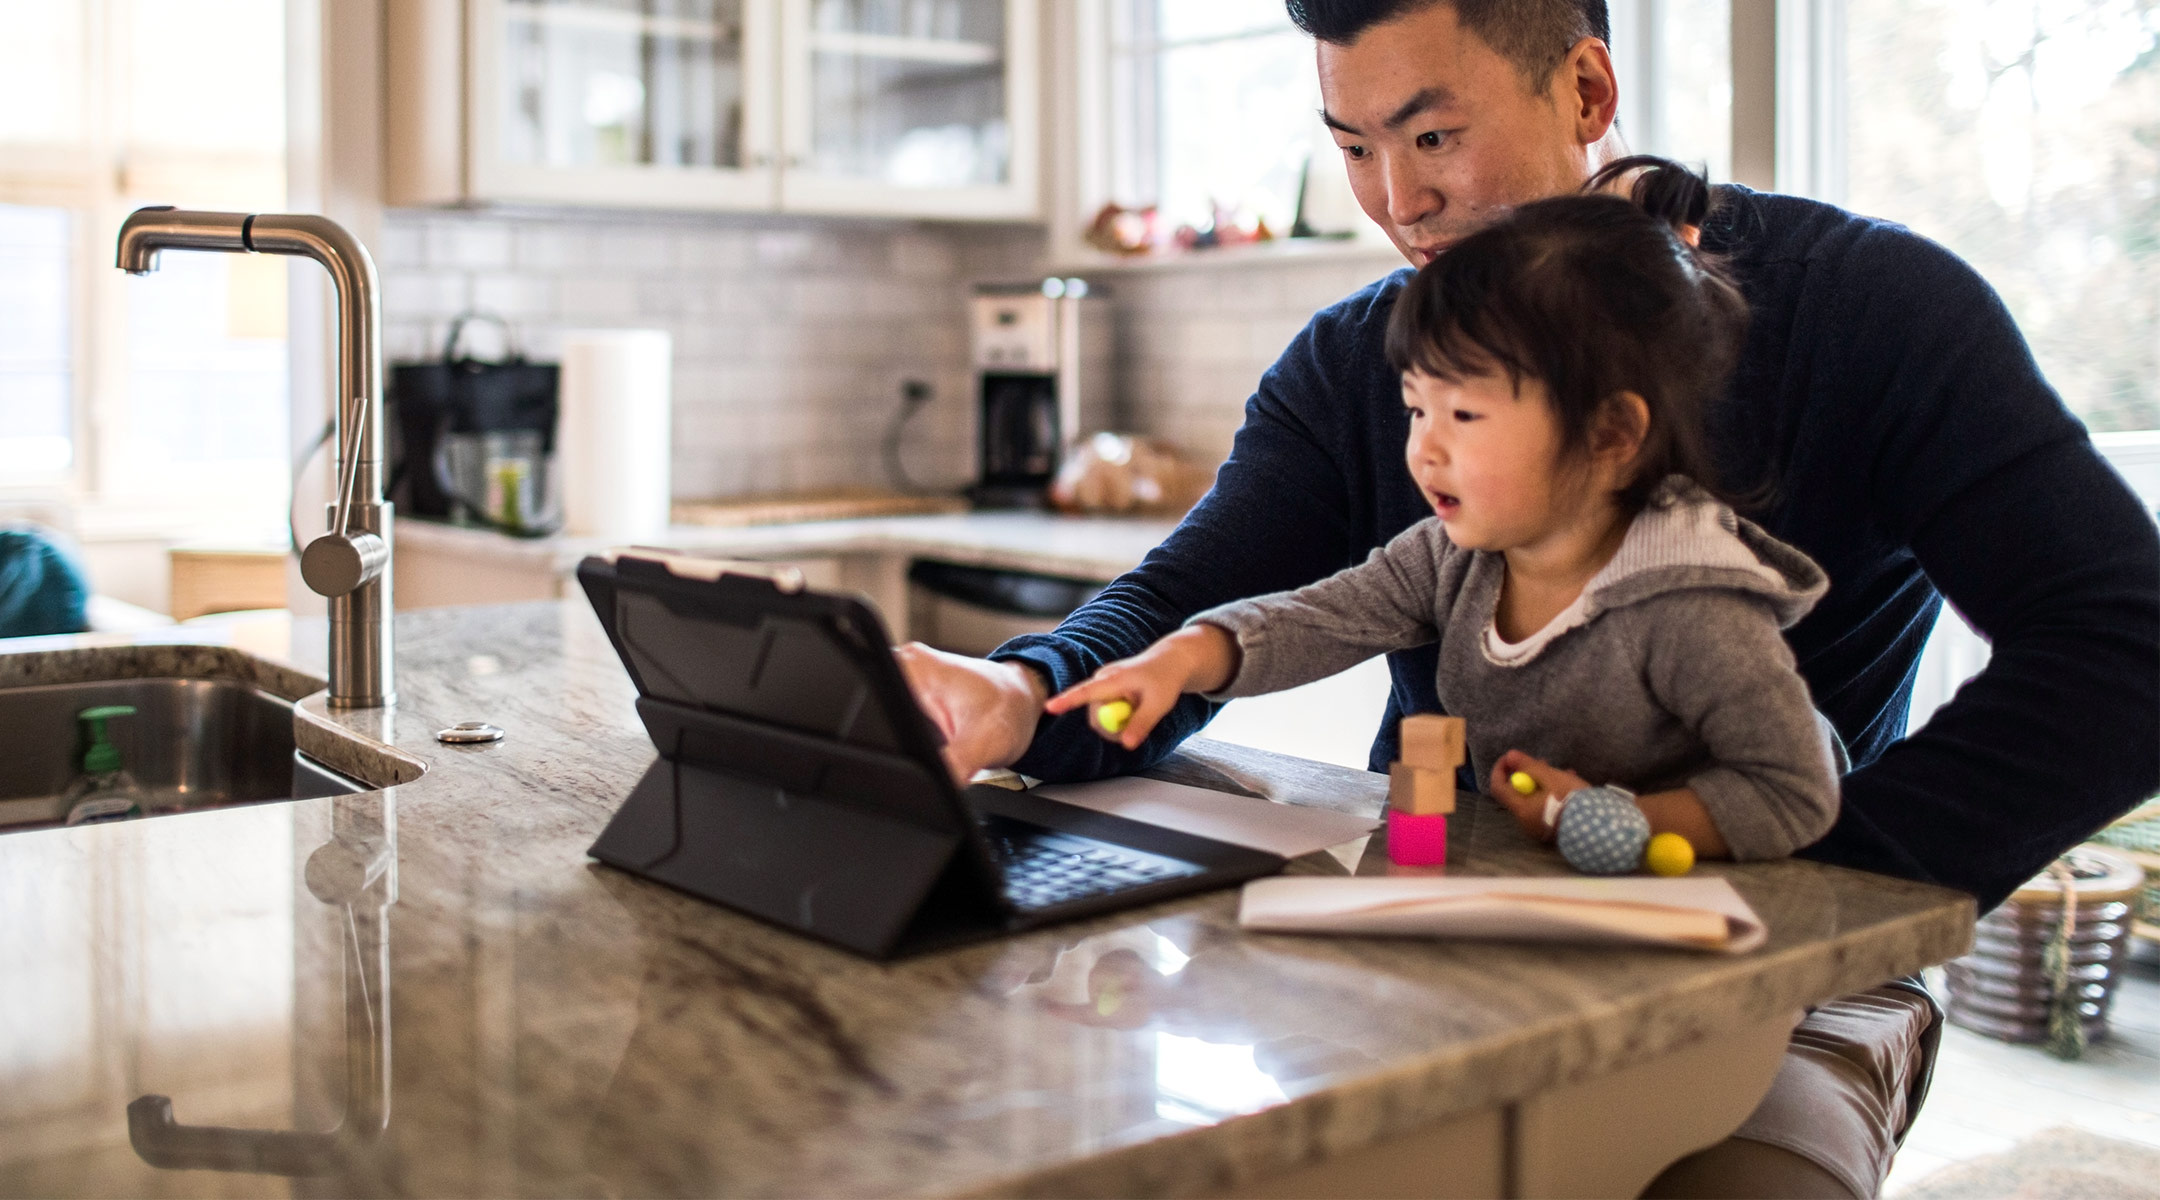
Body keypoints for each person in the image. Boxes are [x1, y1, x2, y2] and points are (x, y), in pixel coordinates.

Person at [895, 0, 2160, 1192]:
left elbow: (2127, 647)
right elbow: (1187, 608)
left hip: (1781, 968)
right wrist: (1022, 693)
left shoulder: (1871, 312)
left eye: (1435, 136)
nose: (1401, 203)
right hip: (1430, 915)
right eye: (1354, 148)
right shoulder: (1356, 366)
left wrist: (1820, 893)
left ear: (1588, 87)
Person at [1045, 159, 1844, 863]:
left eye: (1462, 417)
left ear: (1610, 434)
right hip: (1540, 910)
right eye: (1416, 410)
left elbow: (1794, 790)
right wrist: (1185, 658)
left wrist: (1618, 822)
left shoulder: (1690, 608)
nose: (1423, 450)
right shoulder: (1453, 558)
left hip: (1698, 941)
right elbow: (1314, 621)